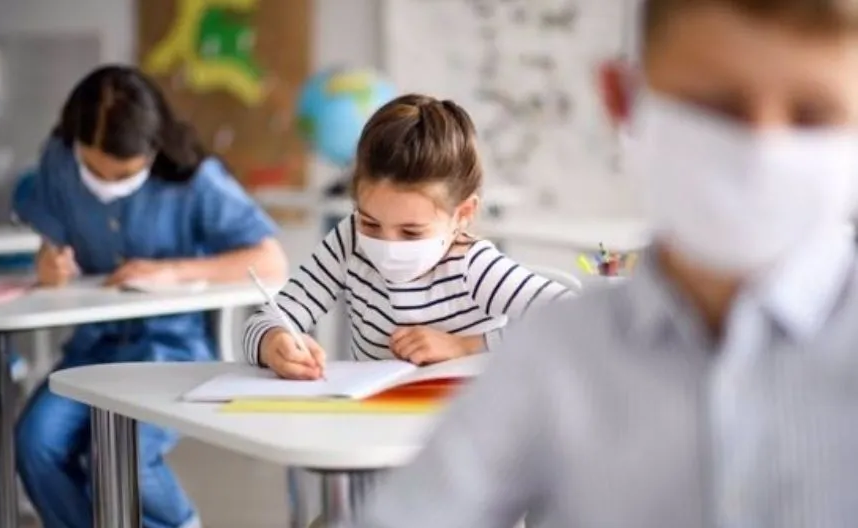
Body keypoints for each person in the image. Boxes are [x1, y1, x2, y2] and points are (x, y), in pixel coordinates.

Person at [350, 0, 858, 526]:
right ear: (623, 100)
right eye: (716, 107)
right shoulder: (551, 357)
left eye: (814, 115)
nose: (761, 150)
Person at [14, 65, 287, 528]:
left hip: (173, 352)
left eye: (122, 173)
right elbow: (51, 236)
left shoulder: (197, 180)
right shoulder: (59, 163)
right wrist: (49, 264)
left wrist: (174, 270)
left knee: (120, 456)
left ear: (152, 147)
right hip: (92, 352)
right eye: (94, 170)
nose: (106, 183)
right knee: (35, 442)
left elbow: (270, 260)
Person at [242, 94, 571, 378]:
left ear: (463, 214)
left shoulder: (473, 266)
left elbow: (575, 320)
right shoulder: (348, 241)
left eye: (411, 232)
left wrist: (465, 345)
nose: (386, 245)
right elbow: (269, 318)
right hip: (374, 430)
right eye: (370, 223)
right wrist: (274, 342)